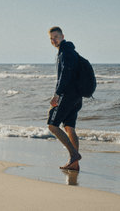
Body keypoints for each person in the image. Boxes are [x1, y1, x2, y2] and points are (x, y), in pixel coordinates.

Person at [47, 26, 82, 171]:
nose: (53, 40)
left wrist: (57, 94)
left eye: (56, 37)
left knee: (52, 125)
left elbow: (65, 75)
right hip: (76, 96)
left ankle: (74, 155)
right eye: (51, 38)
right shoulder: (70, 51)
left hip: (67, 95)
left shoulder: (65, 53)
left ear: (62, 36)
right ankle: (74, 164)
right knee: (69, 128)